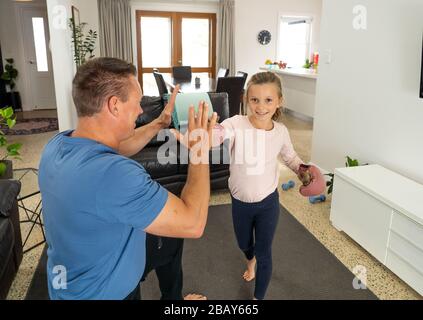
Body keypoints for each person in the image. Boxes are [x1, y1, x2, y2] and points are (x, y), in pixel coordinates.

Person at [38, 57, 217, 300]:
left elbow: (121, 145)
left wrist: (160, 123)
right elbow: (193, 223)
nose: (141, 109)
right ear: (114, 105)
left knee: (171, 242)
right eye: (137, 102)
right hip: (105, 292)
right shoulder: (113, 175)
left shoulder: (58, 145)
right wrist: (199, 149)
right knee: (180, 229)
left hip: (73, 281)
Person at [218, 71, 325, 300]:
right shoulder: (236, 124)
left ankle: (258, 298)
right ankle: (250, 263)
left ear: (279, 102)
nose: (261, 107)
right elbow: (219, 133)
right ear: (246, 99)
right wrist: (206, 132)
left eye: (268, 100)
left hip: (268, 203)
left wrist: (303, 171)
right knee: (244, 244)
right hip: (240, 203)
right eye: (255, 100)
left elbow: (291, 158)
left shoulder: (281, 132)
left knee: (264, 252)